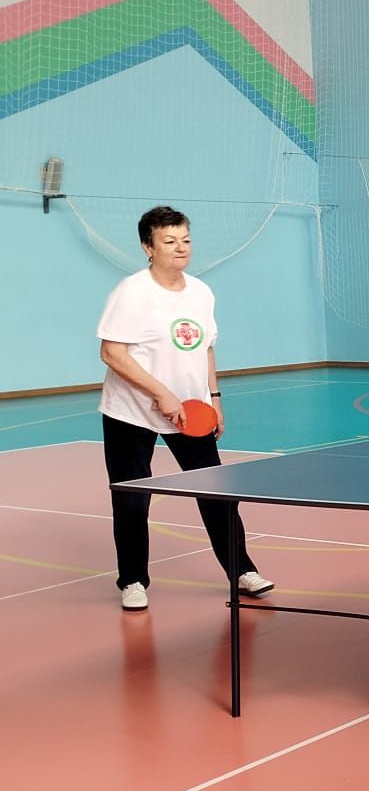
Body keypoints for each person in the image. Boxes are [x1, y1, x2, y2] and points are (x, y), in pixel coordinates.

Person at [98, 206, 274, 612]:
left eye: (186, 240)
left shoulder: (200, 292)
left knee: (216, 492)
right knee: (132, 497)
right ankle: (133, 580)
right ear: (148, 247)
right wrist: (160, 393)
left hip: (189, 412)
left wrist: (214, 398)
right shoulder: (131, 292)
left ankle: (242, 570)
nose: (181, 248)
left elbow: (205, 348)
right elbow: (111, 353)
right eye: (169, 241)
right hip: (130, 412)